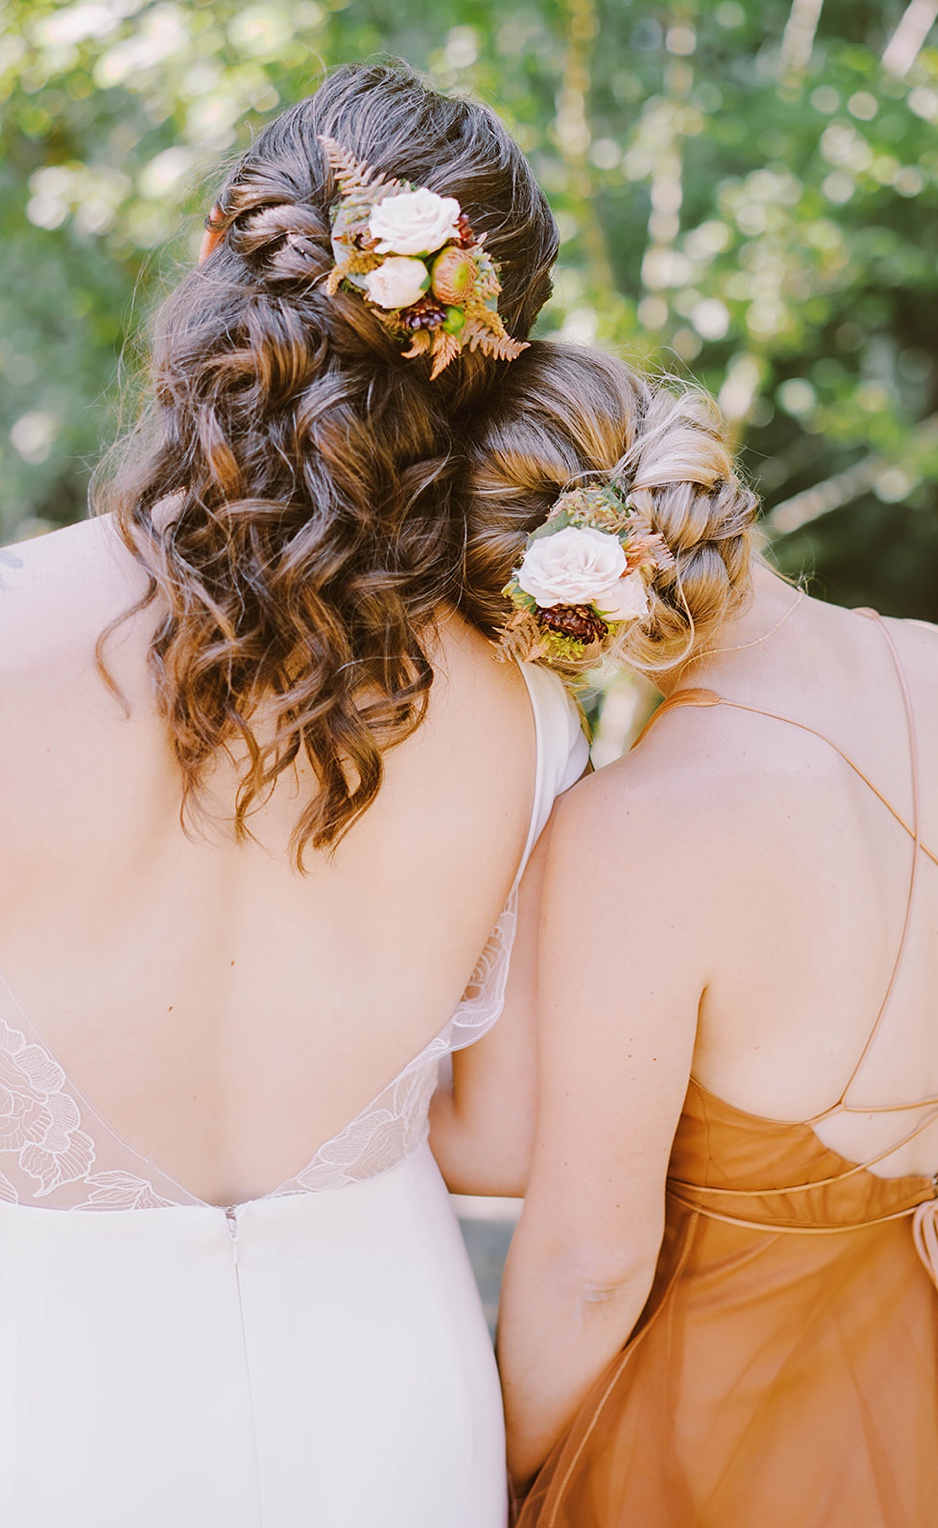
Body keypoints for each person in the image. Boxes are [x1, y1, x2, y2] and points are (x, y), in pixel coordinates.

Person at [0, 62, 590, 1527]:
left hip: (46, 1398)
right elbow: (505, 1142)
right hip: (383, 1398)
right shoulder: (528, 708)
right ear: (484, 356)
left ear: (218, 256)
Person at [493, 381, 938, 1525]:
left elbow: (589, 1268)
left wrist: (504, 1472)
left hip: (730, 1432)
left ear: (540, 611)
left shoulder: (643, 823)